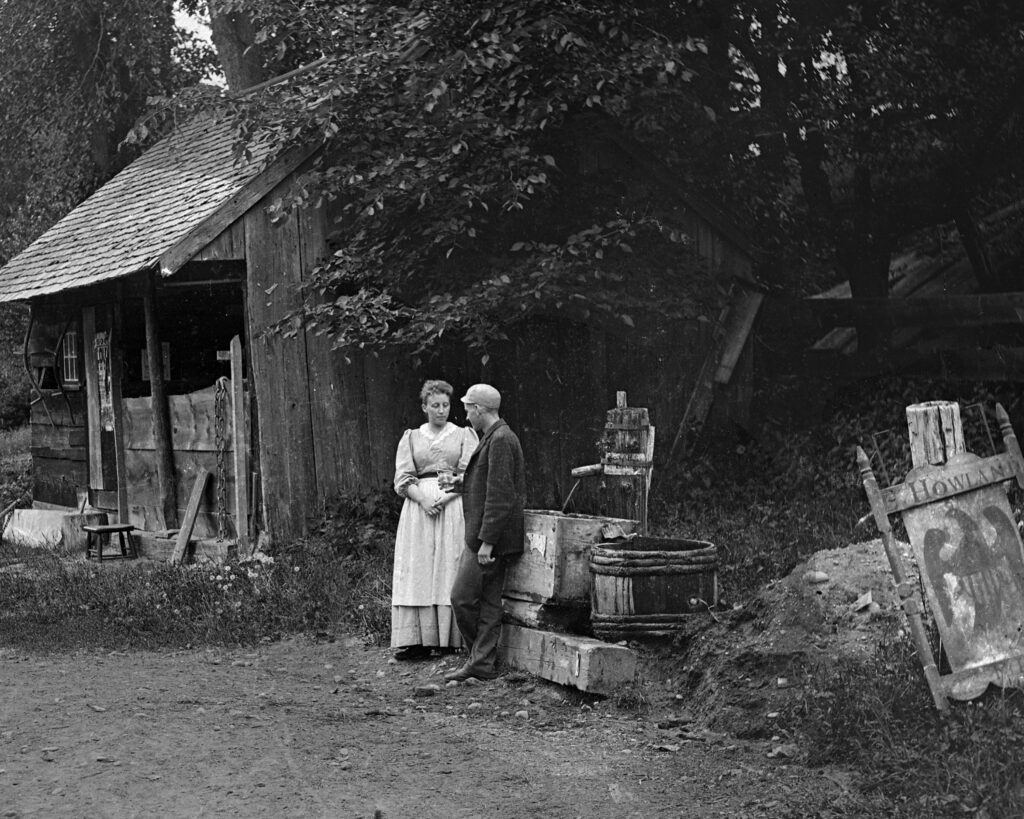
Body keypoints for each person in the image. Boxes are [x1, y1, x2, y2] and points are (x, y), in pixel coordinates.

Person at [391, 380, 479, 660]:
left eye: (445, 405)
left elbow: (471, 474)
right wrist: (423, 499)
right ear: (424, 407)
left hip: (452, 506)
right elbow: (403, 478)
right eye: (435, 405)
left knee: (448, 564)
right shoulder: (412, 437)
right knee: (419, 567)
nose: (441, 411)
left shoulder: (464, 435)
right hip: (419, 509)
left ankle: (448, 640)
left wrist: (447, 496)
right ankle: (415, 640)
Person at [445, 383, 526, 682]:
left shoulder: (501, 439)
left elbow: (501, 496)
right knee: (490, 601)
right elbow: (489, 483)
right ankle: (481, 663)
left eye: (468, 408)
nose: (466, 415)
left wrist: (487, 543)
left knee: (462, 597)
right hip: (486, 537)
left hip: (487, 539)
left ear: (479, 409)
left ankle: (478, 657)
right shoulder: (495, 436)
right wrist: (460, 485)